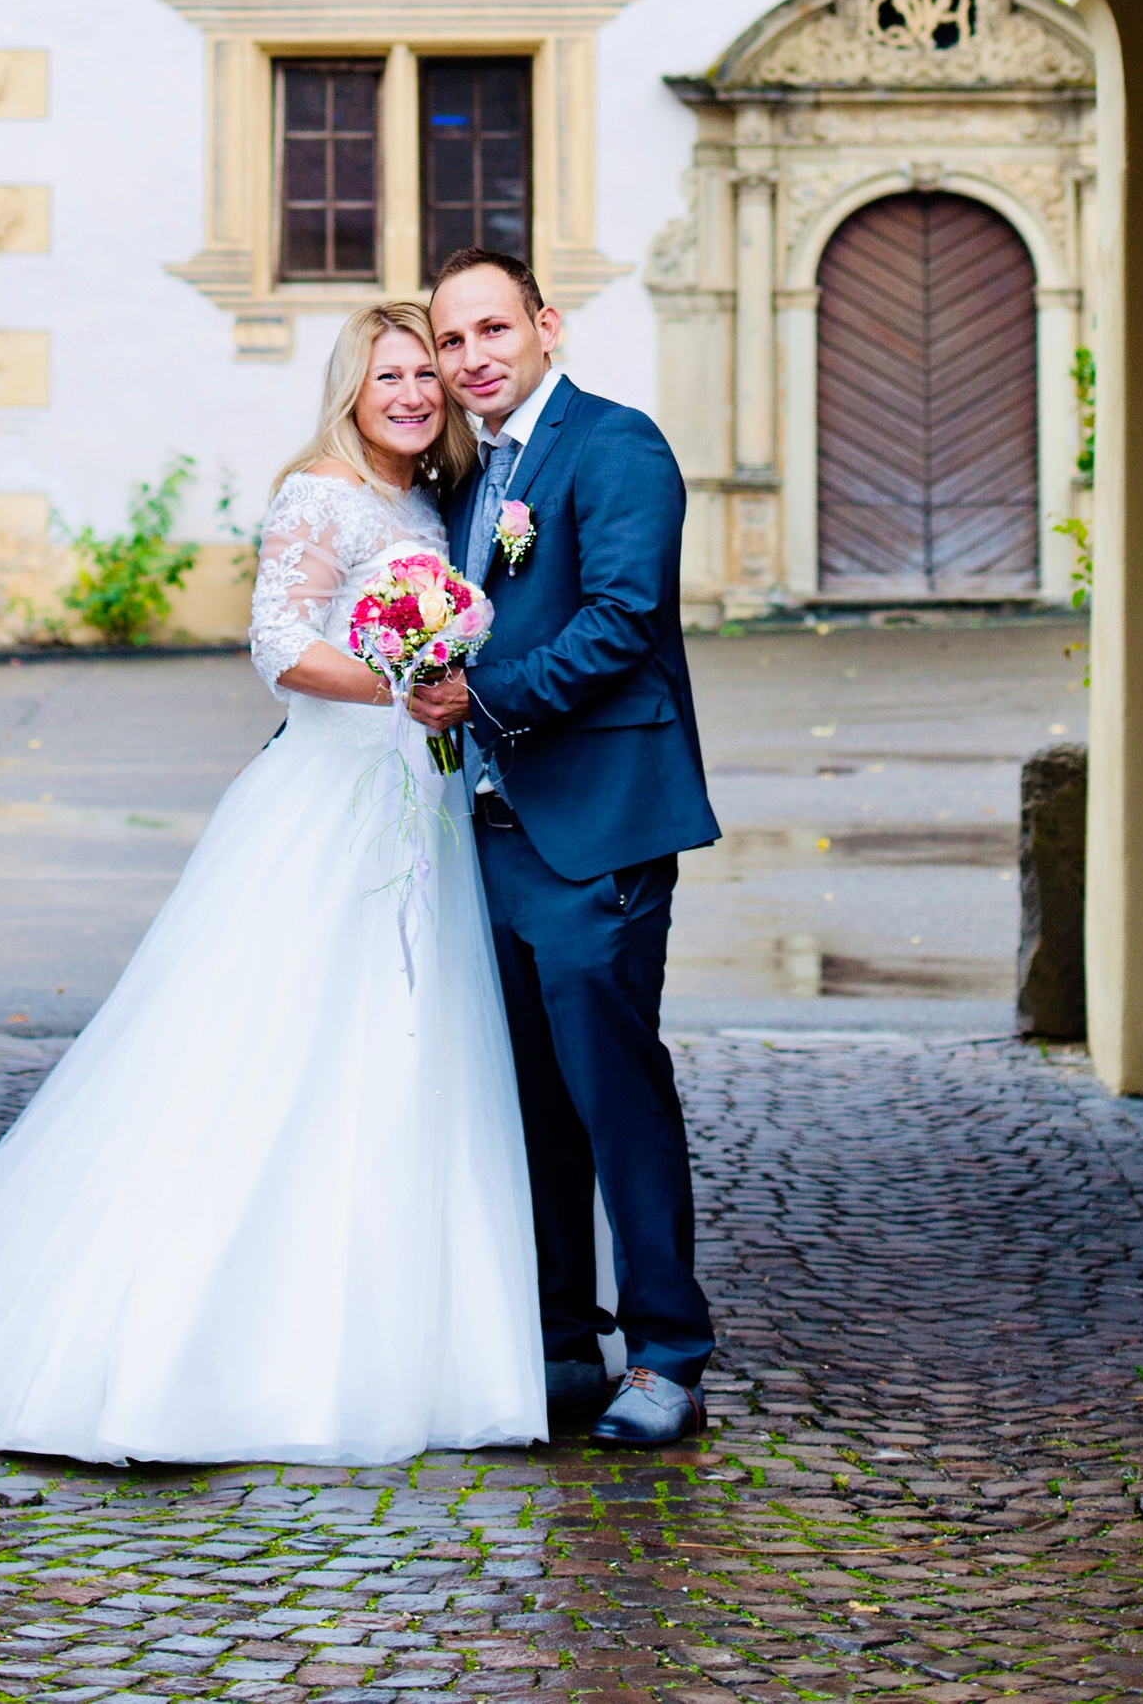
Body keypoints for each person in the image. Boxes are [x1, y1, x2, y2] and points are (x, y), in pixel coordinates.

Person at [0, 305, 545, 1466]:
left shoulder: (434, 504)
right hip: (327, 805)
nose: (411, 392)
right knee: (271, 1056)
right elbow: (280, 642)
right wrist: (403, 678)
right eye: (387, 373)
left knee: (403, 1053)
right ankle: (193, 1343)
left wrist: (438, 681)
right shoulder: (319, 494)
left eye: (423, 375)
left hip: (416, 809)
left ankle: (406, 1347)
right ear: (351, 386)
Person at [416, 245, 720, 1449]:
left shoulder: (616, 443)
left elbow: (622, 618)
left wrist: (481, 699)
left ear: (546, 325)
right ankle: (558, 1344)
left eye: (492, 328)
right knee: (530, 1099)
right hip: (489, 832)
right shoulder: (464, 476)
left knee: (613, 1093)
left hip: (598, 825)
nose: (471, 356)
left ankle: (667, 1354)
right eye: (451, 339)